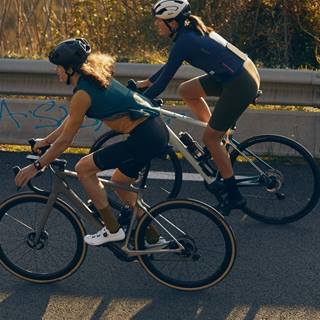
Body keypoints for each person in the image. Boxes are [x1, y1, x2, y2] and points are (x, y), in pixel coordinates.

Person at [15, 38, 169, 246]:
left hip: (145, 137)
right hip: (154, 130)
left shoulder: (82, 94)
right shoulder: (94, 79)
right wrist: (47, 140)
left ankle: (112, 230)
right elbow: (72, 119)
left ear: (70, 69)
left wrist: (36, 166)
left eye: (58, 68)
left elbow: (66, 141)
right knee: (121, 185)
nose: (56, 72)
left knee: (84, 168)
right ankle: (152, 237)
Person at [137, 0, 261, 214]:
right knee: (187, 90)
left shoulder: (185, 42)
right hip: (236, 73)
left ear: (173, 23)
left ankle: (234, 196)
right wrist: (148, 82)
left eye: (159, 21)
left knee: (209, 138)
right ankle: (217, 136)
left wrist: (138, 103)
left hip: (240, 83)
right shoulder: (188, 32)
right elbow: (169, 66)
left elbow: (164, 82)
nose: (156, 24)